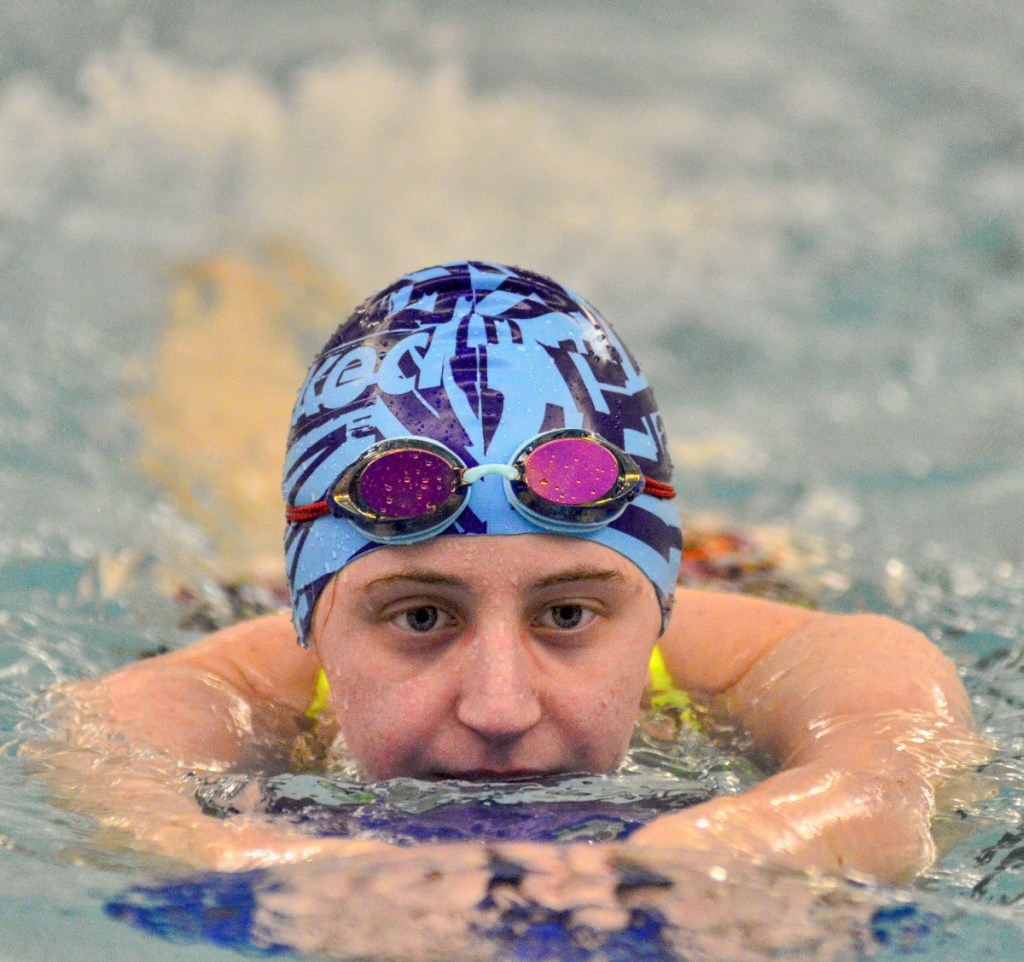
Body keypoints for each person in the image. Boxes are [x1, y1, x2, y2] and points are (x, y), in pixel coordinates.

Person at [45, 261, 983, 887]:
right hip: (246, 580)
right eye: (420, 619)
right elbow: (106, 776)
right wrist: (290, 873)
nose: (501, 709)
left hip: (727, 562)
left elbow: (892, 763)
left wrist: (734, 848)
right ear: (313, 622)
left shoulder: (752, 658)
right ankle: (232, 285)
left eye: (568, 615)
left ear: (657, 612)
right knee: (210, 481)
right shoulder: (241, 680)